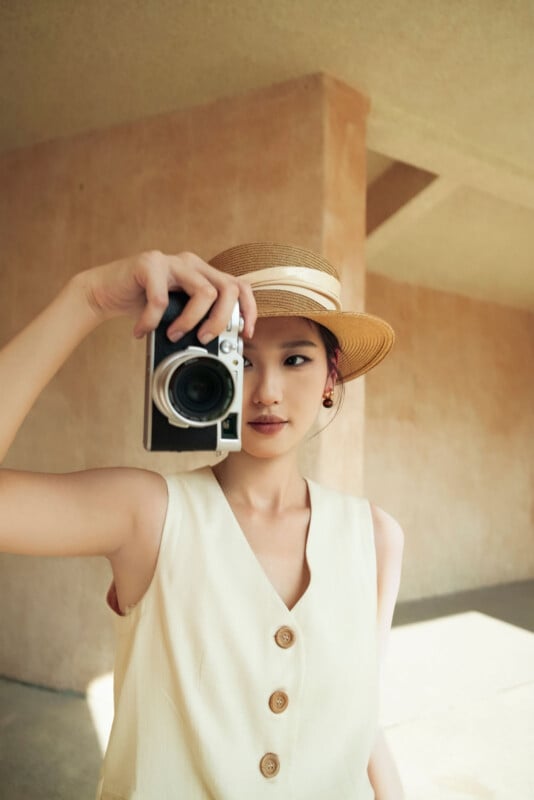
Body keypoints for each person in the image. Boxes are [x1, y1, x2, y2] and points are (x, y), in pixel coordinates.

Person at [0, 242, 405, 799]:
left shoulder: (376, 537)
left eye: (296, 358)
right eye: (239, 357)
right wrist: (86, 298)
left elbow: (359, 716)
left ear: (332, 374)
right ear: (206, 364)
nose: (266, 391)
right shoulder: (146, 514)